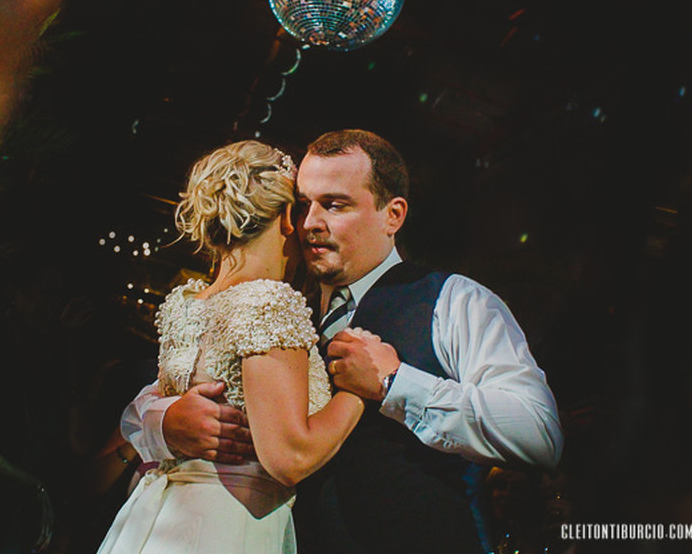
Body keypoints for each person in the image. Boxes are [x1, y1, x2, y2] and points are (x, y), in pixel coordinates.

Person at [123, 129, 563, 553]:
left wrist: (396, 383)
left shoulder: (454, 300)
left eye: (335, 205)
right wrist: (163, 424)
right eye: (301, 205)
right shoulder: (275, 304)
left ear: (392, 215)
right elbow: (164, 394)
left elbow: (538, 433)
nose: (311, 223)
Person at [99, 140, 365, 553]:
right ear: (286, 220)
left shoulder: (185, 305)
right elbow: (290, 457)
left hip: (160, 516)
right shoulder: (268, 303)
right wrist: (359, 389)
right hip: (225, 527)